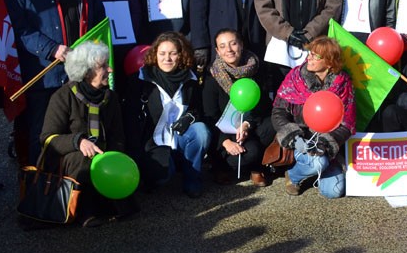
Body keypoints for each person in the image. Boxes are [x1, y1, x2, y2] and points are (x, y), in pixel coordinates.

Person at [5, 0, 90, 167]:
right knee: (42, 134)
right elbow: (19, 30)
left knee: (76, 132)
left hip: (77, 71)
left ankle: (71, 188)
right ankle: (38, 189)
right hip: (43, 73)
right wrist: (52, 49)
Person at [39, 41, 133, 228]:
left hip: (100, 153)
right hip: (66, 157)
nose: (110, 70)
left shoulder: (110, 97)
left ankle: (109, 205)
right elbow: (48, 138)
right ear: (87, 71)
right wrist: (78, 141)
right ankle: (82, 211)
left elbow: (117, 135)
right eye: (104, 66)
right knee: (82, 159)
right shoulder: (63, 96)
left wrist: (116, 157)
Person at [272, 37, 355, 198]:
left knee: (334, 191)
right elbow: (278, 112)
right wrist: (294, 137)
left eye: (316, 56)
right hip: (301, 141)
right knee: (318, 162)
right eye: (310, 53)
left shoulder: (343, 83)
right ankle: (293, 175)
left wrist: (326, 143)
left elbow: (348, 124)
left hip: (326, 146)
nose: (309, 57)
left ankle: (316, 170)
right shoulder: (295, 77)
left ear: (330, 62)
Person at [137, 33, 212, 198]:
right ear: (155, 55)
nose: (167, 58)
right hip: (154, 142)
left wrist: (190, 118)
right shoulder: (141, 80)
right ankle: (155, 175)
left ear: (181, 55)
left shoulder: (190, 79)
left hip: (180, 136)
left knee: (201, 132)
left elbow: (198, 110)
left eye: (173, 53)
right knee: (162, 176)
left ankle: (192, 179)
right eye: (162, 53)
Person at [202, 29, 271, 185]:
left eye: (233, 43)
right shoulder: (212, 77)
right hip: (222, 132)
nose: (229, 50)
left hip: (246, 128)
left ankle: (257, 168)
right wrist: (225, 141)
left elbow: (264, 105)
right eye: (223, 46)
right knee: (218, 143)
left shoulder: (256, 69)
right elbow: (209, 115)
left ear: (241, 45)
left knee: (267, 129)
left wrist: (247, 124)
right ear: (217, 51)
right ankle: (221, 167)